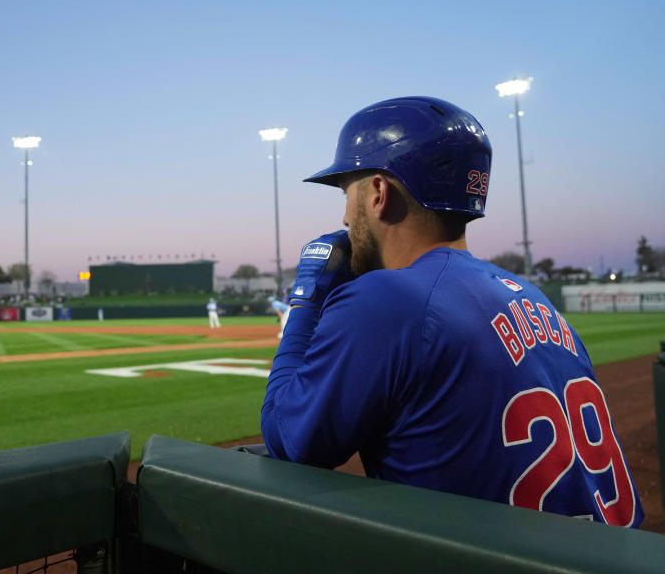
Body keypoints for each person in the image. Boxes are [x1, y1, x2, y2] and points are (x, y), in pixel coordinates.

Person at [261, 96, 643, 528]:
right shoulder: (532, 296)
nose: (345, 216)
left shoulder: (385, 300)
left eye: (348, 190)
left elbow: (290, 440)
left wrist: (307, 297)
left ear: (379, 193)